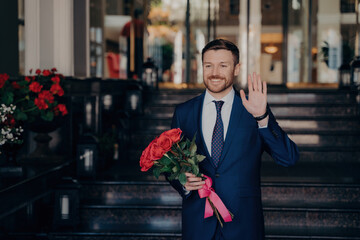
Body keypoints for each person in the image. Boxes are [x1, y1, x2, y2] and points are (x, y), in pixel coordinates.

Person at [167, 39, 299, 240]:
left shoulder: (253, 110)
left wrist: (262, 118)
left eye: (223, 65)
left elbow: (288, 158)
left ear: (236, 69)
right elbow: (171, 165)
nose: (214, 72)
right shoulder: (184, 112)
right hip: (198, 225)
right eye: (208, 65)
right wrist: (183, 183)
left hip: (243, 226)